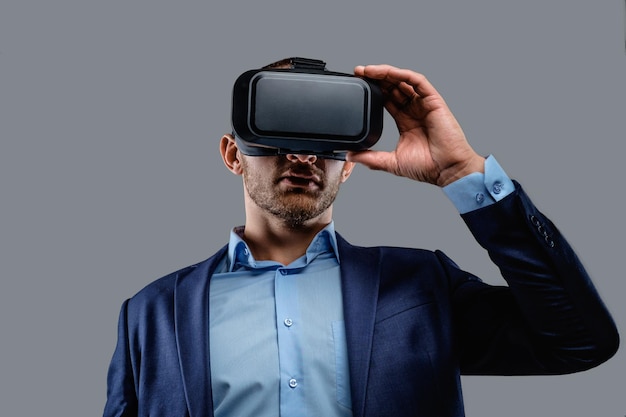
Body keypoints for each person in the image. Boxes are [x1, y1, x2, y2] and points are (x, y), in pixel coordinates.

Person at [103, 61, 619, 417]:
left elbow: (579, 341)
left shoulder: (420, 286)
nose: (302, 155)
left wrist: (463, 171)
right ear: (233, 153)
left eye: (324, 139)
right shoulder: (150, 313)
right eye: (279, 130)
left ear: (348, 165)